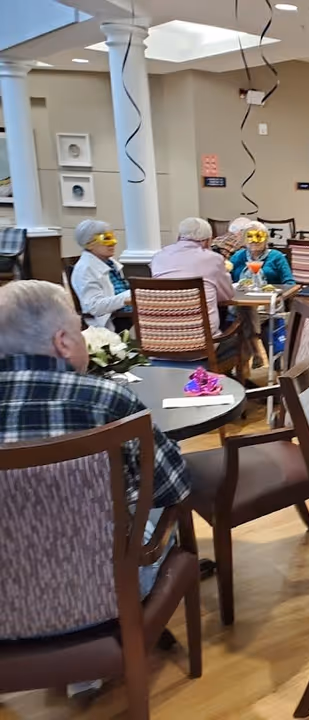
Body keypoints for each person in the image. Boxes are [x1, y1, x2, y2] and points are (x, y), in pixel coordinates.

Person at [0, 280, 190, 697]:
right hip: (103, 596)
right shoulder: (107, 401)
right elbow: (174, 486)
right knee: (157, 506)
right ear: (63, 341)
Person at [151, 217, 236, 336]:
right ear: (207, 241)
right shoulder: (213, 259)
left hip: (161, 339)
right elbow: (227, 296)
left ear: (179, 237)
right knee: (236, 330)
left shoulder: (158, 257)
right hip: (201, 340)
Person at [70, 219, 132, 332]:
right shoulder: (85, 269)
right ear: (89, 244)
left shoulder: (110, 263)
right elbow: (94, 306)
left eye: (113, 237)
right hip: (114, 323)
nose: (114, 242)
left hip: (130, 316)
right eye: (106, 239)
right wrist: (127, 298)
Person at [229, 221, 295, 286]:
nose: (255, 241)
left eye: (259, 236)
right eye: (250, 237)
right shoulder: (237, 256)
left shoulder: (277, 256)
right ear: (244, 240)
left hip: (270, 295)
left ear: (266, 239)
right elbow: (226, 280)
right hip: (240, 295)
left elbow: (290, 283)